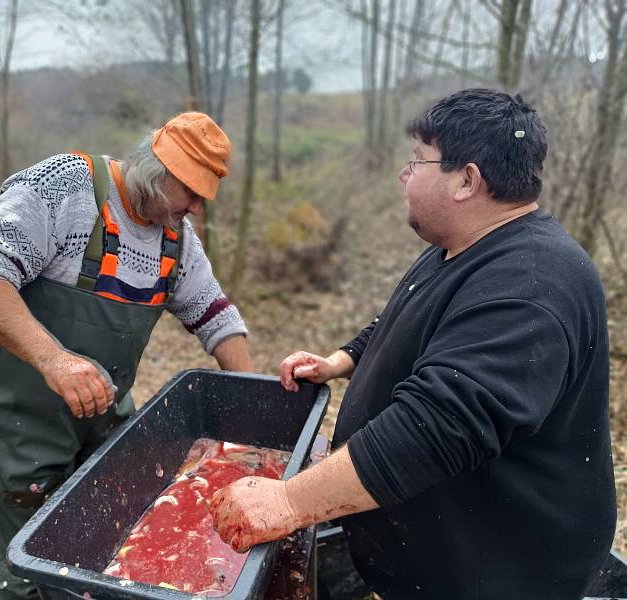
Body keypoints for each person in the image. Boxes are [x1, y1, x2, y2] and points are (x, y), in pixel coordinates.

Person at [209, 89, 616, 599]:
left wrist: (289, 501)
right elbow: (401, 318)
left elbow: (440, 426)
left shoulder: (531, 284)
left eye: (418, 161)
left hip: (495, 574)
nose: (405, 175)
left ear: (467, 180)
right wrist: (341, 360)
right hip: (427, 555)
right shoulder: (462, 246)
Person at [0, 112, 252, 599]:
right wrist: (54, 360)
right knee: (26, 569)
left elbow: (215, 317)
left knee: (107, 551)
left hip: (101, 419)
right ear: (157, 173)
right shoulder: (66, 188)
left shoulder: (174, 238)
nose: (196, 207)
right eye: (192, 193)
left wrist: (252, 407)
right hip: (17, 425)